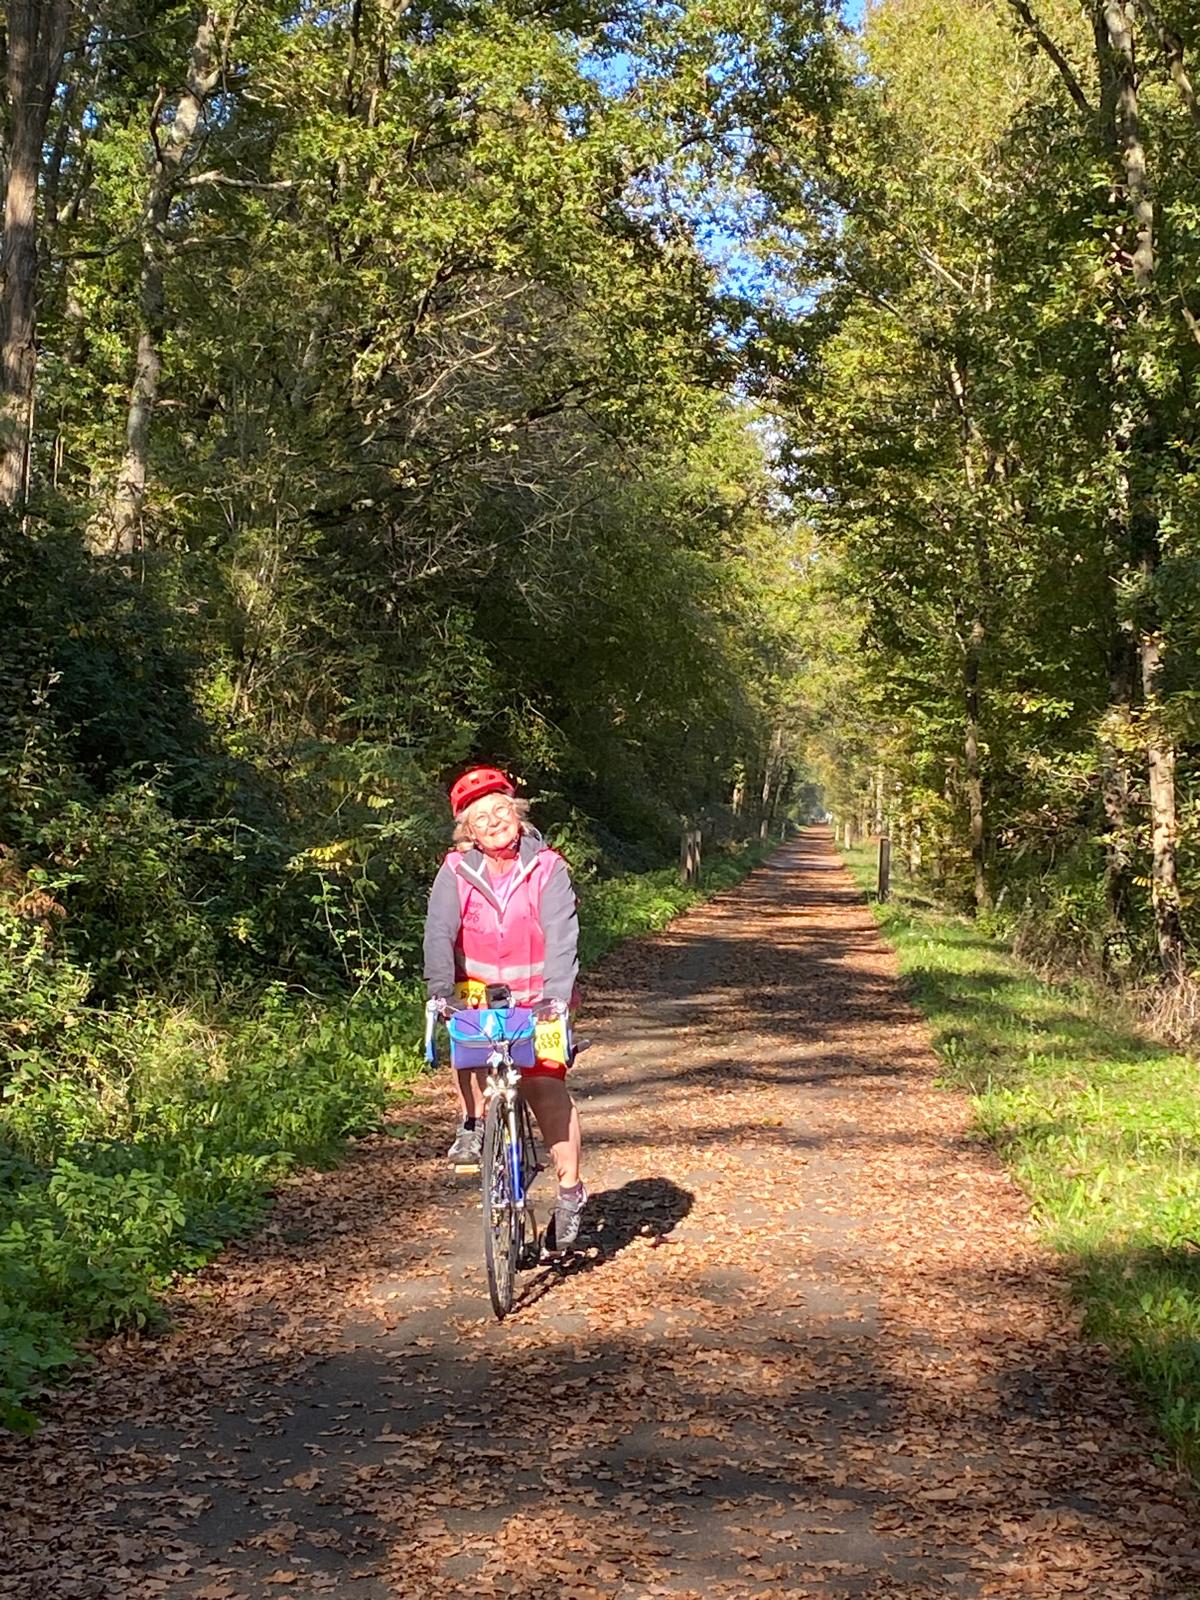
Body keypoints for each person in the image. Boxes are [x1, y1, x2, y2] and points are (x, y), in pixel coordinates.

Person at [423, 766, 587, 1250]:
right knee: (469, 1049)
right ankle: (474, 1124)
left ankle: (570, 1192)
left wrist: (556, 998)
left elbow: (562, 936)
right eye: (481, 817)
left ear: (517, 813)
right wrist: (440, 990)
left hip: (540, 995)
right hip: (477, 991)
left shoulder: (548, 867)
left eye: (501, 810)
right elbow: (439, 932)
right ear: (468, 831)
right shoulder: (455, 870)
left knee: (543, 1085)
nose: (494, 821)